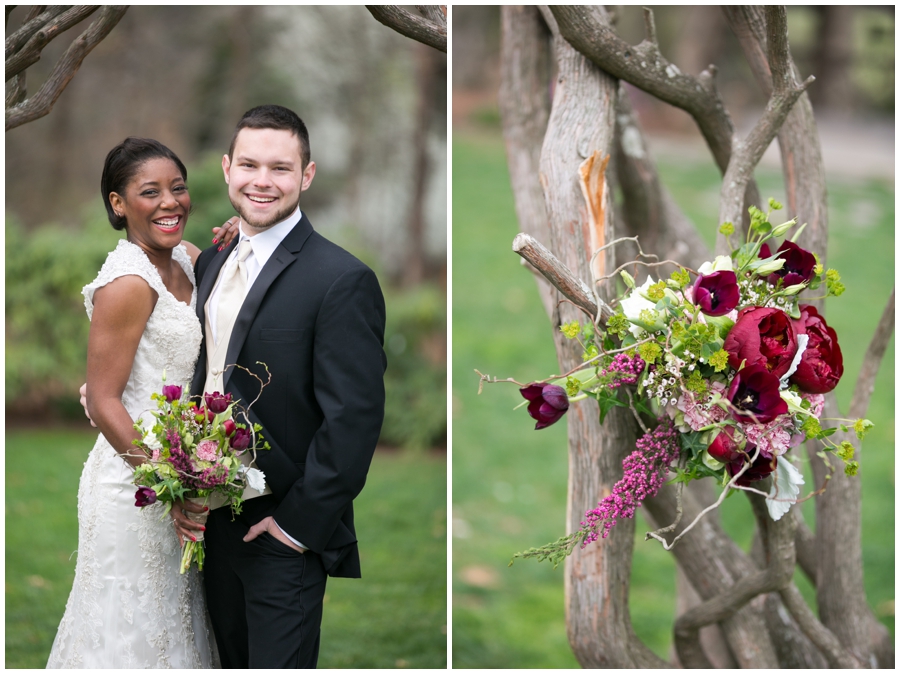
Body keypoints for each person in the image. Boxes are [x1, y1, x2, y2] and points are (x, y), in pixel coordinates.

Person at [165, 105, 386, 668]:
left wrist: (295, 529)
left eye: (281, 169)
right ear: (226, 169)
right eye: (250, 165)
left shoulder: (341, 279)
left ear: (306, 176)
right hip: (211, 521)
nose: (262, 181)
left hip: (281, 527)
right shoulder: (214, 259)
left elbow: (353, 421)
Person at [48, 138, 223, 668]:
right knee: (129, 628)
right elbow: (103, 401)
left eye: (178, 188)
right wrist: (169, 488)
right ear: (118, 203)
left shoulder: (190, 260)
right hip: (134, 481)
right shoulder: (127, 282)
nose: (170, 202)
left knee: (176, 624)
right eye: (151, 192)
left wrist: (239, 236)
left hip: (181, 464)